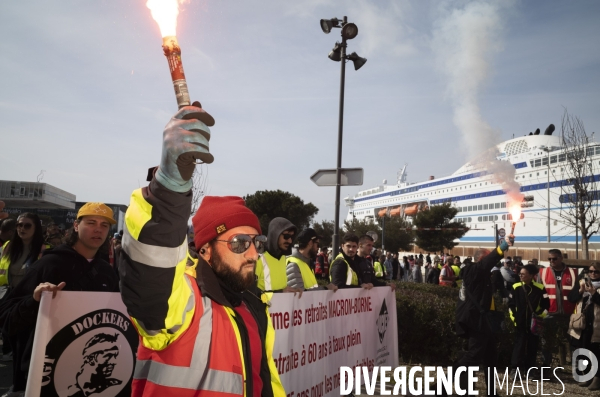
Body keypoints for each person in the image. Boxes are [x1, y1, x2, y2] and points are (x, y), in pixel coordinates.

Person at [117, 104, 284, 396]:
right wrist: (169, 187)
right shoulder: (184, 301)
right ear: (205, 250)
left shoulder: (255, 307)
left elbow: (266, 381)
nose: (253, 254)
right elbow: (150, 269)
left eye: (256, 243)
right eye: (238, 243)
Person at [0, 203, 120, 397]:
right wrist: (34, 300)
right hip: (45, 376)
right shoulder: (48, 265)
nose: (98, 229)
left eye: (104, 225)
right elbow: (6, 318)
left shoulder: (107, 273)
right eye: (91, 222)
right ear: (75, 225)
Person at [453, 235, 514, 394]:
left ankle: (491, 392)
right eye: (488, 260)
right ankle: (441, 385)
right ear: (481, 259)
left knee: (490, 359)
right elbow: (490, 260)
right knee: (473, 356)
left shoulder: (482, 274)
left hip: (485, 322)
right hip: (476, 321)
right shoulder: (473, 270)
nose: (493, 264)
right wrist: (503, 246)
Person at [508, 264, 549, 375]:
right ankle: (515, 369)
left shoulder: (540, 288)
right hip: (520, 322)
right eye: (520, 273)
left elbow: (546, 306)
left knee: (533, 347)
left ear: (531, 275)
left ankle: (530, 369)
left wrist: (540, 316)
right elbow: (510, 306)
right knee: (519, 346)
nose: (520, 275)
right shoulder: (515, 287)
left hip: (534, 324)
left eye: (523, 274)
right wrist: (515, 318)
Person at [540, 249, 577, 365]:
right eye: (549, 259)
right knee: (547, 343)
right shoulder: (543, 272)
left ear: (561, 258)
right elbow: (539, 293)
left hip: (569, 314)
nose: (552, 261)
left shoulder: (573, 273)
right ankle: (546, 368)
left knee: (574, 342)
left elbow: (577, 293)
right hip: (550, 313)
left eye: (554, 258)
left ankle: (577, 369)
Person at [568, 262, 600, 390]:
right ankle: (587, 376)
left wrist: (594, 294)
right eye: (590, 271)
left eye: (596, 272)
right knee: (583, 348)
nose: (593, 274)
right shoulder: (582, 282)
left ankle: (597, 378)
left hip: (597, 323)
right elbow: (571, 298)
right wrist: (580, 291)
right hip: (583, 322)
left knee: (596, 351)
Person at [0, 213, 44, 291]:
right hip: (7, 294)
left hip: (30, 297)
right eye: (19, 225)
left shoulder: (45, 249)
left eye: (27, 226)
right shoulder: (8, 246)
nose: (22, 229)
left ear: (36, 228)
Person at [255, 217, 300, 293]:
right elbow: (250, 295)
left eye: (292, 237)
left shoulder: (283, 258)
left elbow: (281, 287)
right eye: (286, 236)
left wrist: (292, 292)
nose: (290, 241)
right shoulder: (257, 259)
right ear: (275, 234)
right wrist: (280, 292)